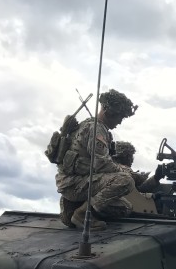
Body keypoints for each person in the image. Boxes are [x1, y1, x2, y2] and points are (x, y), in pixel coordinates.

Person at [56, 89, 139, 230]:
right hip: (75, 184)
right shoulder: (96, 129)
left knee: (124, 208)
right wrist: (125, 170)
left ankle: (72, 210)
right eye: (120, 117)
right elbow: (101, 164)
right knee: (125, 181)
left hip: (72, 182)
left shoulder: (85, 124)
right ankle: (82, 214)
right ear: (109, 112)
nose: (120, 122)